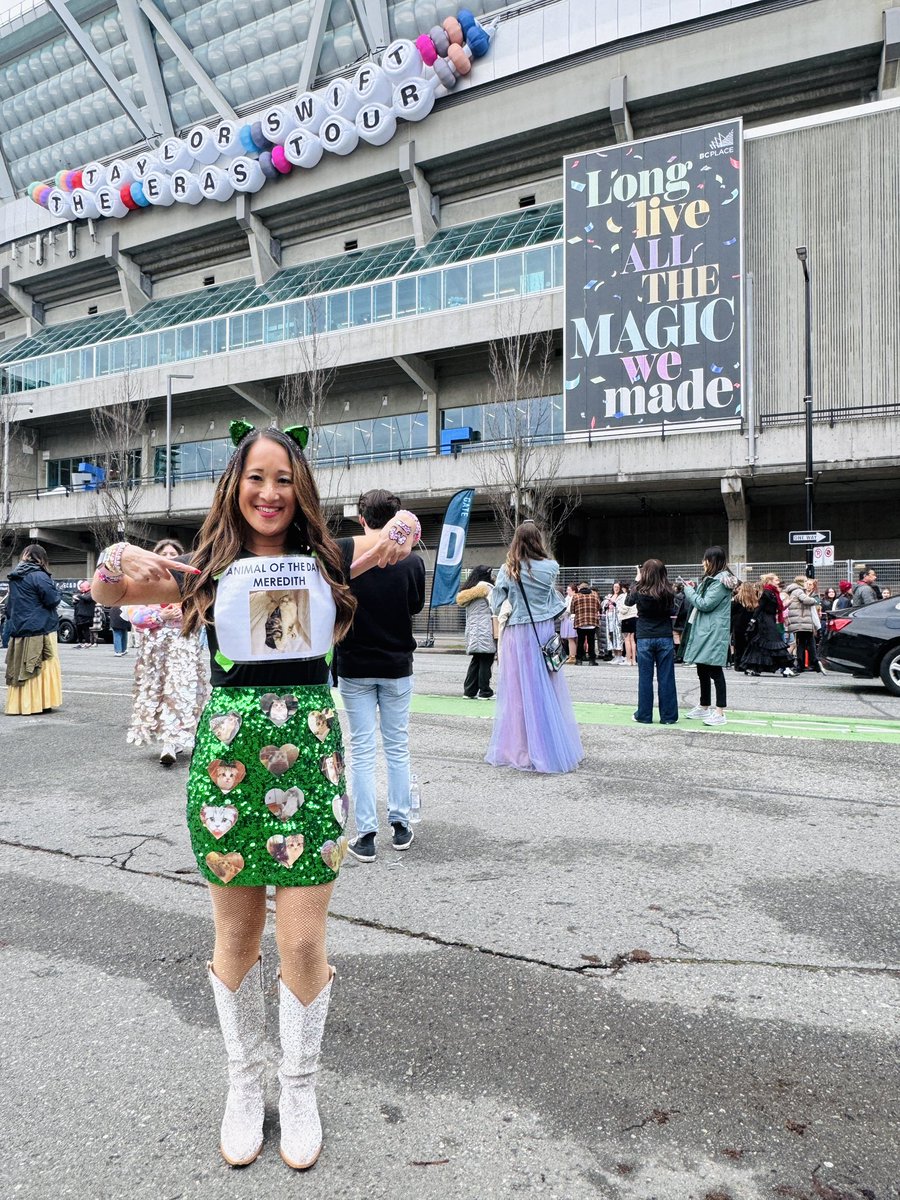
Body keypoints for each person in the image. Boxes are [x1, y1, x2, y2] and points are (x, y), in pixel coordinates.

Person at [91, 423, 419, 1170]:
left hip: (310, 756)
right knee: (237, 937)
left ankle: (297, 1087)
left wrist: (403, 526)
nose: (269, 493)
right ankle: (244, 1083)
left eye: (283, 479)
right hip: (230, 762)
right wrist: (118, 553)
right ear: (234, 488)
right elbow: (108, 589)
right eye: (255, 478)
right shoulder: (204, 570)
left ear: (298, 488)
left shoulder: (329, 557)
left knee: (301, 939)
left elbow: (399, 529)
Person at [337, 489, 426, 863]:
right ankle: (401, 825)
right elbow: (416, 605)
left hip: (354, 663)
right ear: (395, 518)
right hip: (396, 663)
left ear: (361, 519)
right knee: (397, 746)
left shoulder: (343, 551)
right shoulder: (412, 561)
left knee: (360, 748)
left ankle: (367, 833)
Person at [485, 521, 583, 773]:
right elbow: (553, 601)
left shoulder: (509, 569)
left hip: (519, 632)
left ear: (516, 541)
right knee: (546, 688)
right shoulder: (551, 567)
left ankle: (522, 748)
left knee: (517, 692)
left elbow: (497, 604)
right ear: (538, 540)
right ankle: (549, 745)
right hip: (544, 630)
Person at [125, 538, 210, 766]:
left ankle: (171, 743)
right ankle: (168, 737)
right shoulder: (145, 585)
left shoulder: (190, 586)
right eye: (166, 555)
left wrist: (184, 616)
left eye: (175, 555)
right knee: (157, 694)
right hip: (154, 652)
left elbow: (202, 616)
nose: (170, 559)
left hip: (182, 647)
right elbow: (135, 617)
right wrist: (159, 617)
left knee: (179, 692)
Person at [3, 543, 63, 716]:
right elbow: (52, 600)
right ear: (41, 558)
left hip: (20, 628)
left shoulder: (14, 577)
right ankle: (41, 703)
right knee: (43, 664)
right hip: (41, 627)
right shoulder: (39, 576)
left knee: (22, 666)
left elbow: (11, 604)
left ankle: (21, 704)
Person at [679, 546, 736, 726]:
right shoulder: (713, 579)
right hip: (706, 629)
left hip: (713, 631)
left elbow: (704, 604)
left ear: (712, 561)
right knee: (702, 668)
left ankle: (720, 712)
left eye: (705, 560)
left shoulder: (720, 581)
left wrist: (689, 591)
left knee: (714, 670)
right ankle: (704, 706)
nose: (703, 563)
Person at [627, 559, 677, 724]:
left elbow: (628, 601)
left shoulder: (639, 591)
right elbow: (672, 610)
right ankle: (668, 716)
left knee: (645, 678)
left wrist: (636, 580)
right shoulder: (668, 591)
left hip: (645, 636)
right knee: (666, 678)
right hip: (664, 635)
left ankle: (644, 715)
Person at [740, 574, 794, 677]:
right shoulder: (767, 593)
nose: (778, 581)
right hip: (765, 622)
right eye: (776, 579)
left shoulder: (774, 593)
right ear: (770, 581)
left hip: (770, 620)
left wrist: (787, 603)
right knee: (776, 643)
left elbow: (778, 608)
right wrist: (752, 621)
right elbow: (759, 608)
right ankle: (785, 668)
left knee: (763, 645)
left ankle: (754, 667)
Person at [457, 564, 496, 699]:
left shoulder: (468, 591)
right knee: (486, 659)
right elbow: (495, 607)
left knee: (476, 660)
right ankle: (484, 691)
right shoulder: (488, 589)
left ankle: (469, 691)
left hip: (473, 629)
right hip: (486, 629)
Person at [785, 575, 822, 673]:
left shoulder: (793, 591)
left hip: (799, 622)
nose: (807, 583)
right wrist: (815, 600)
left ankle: (802, 664)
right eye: (806, 581)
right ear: (801, 582)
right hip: (802, 621)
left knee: (801, 643)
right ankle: (814, 662)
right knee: (810, 642)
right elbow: (806, 600)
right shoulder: (799, 591)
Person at [731, 580, 759, 675]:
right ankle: (747, 664)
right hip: (750, 625)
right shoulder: (754, 599)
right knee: (748, 645)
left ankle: (738, 665)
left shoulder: (737, 599)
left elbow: (731, 612)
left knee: (738, 646)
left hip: (738, 625)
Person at [571, 581, 601, 665]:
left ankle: (579, 660)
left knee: (580, 641)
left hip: (580, 622)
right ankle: (592, 660)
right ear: (588, 587)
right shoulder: (594, 594)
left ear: (580, 588)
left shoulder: (576, 596)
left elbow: (572, 610)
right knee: (591, 642)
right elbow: (599, 606)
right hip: (592, 622)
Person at [618, 579, 638, 665]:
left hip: (626, 618)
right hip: (634, 618)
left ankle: (628, 660)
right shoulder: (634, 595)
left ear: (623, 588)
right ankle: (634, 660)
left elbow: (624, 609)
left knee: (627, 639)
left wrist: (618, 608)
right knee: (632, 640)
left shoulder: (624, 596)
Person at [72, 580, 96, 648]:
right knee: (79, 629)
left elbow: (87, 599)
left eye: (82, 587)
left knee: (86, 629)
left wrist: (78, 596)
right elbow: (78, 602)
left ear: (87, 587)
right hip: (79, 614)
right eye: (80, 587)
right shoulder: (82, 594)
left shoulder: (91, 593)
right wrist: (75, 601)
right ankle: (80, 642)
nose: (81, 589)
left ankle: (87, 642)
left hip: (87, 615)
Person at [603, 581, 624, 662]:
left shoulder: (621, 596)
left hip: (616, 620)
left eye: (617, 587)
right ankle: (615, 655)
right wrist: (607, 603)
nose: (616, 589)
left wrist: (613, 602)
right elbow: (604, 607)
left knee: (617, 637)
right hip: (609, 618)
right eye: (615, 587)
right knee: (611, 636)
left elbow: (620, 606)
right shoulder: (611, 595)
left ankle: (619, 655)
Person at [559, 584, 577, 663]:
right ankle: (571, 655)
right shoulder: (568, 598)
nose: (567, 591)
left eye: (568, 590)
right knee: (571, 639)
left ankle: (572, 656)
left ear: (573, 590)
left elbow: (569, 609)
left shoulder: (573, 598)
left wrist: (562, 612)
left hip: (570, 619)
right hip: (567, 619)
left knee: (571, 638)